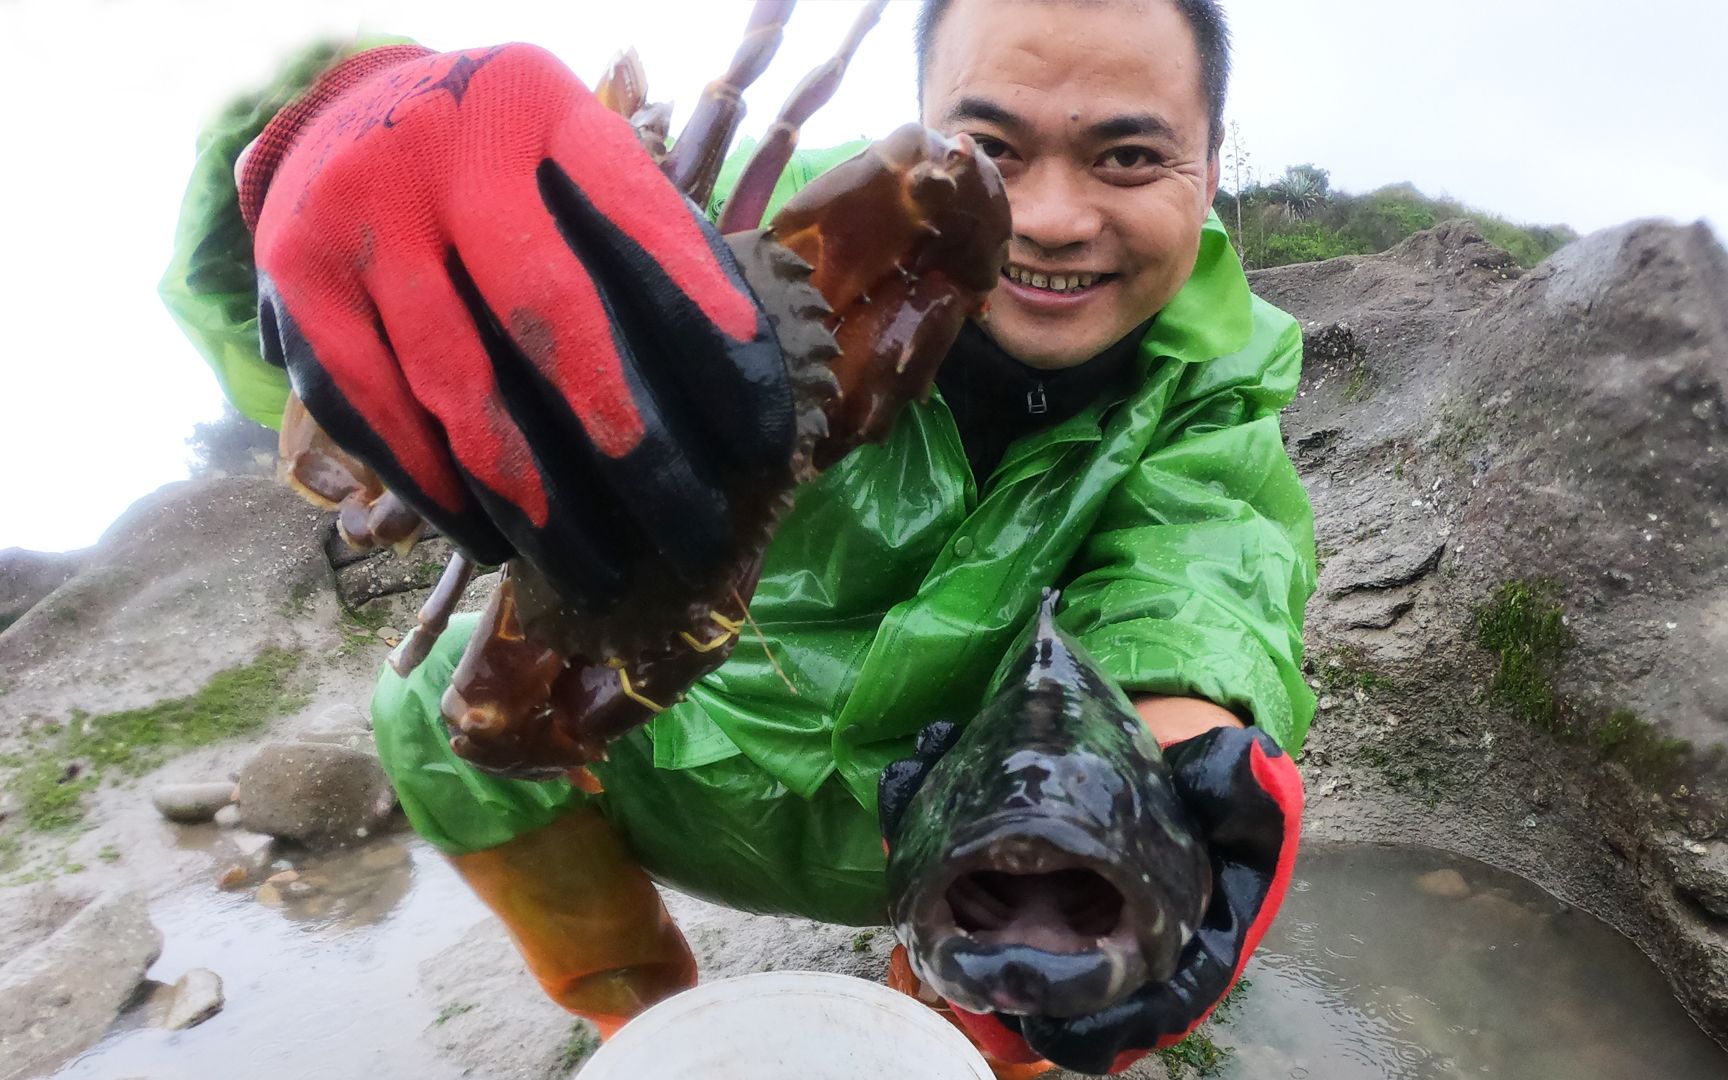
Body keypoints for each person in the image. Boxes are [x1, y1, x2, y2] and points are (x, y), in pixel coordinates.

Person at [160, 1, 1315, 1074]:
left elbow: (1198, 576)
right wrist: (315, 145)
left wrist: (1144, 781)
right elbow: (335, 366)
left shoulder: (1217, 377)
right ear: (924, 123)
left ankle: (974, 1019)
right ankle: (652, 1022)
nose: (1056, 221)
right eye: (997, 148)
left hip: (956, 818)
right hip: (692, 762)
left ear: (1213, 167)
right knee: (427, 711)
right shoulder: (691, 235)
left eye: (1126, 155)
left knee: (1075, 827)